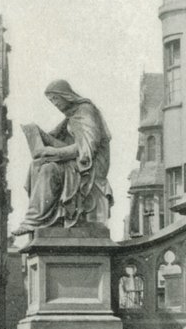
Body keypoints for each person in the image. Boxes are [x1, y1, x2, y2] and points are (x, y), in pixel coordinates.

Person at [14, 80, 112, 234]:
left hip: (89, 167)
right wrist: (37, 133)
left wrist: (54, 153)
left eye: (55, 98)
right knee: (36, 165)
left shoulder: (85, 111)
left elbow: (86, 148)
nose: (54, 103)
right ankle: (41, 218)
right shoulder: (70, 117)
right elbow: (56, 140)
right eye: (51, 100)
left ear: (66, 95)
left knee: (48, 169)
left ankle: (33, 220)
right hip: (75, 161)